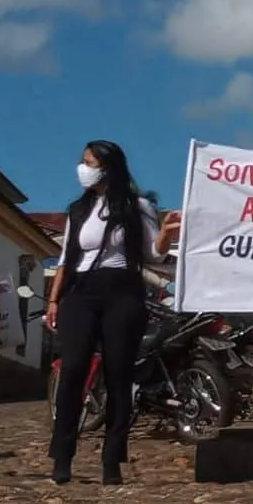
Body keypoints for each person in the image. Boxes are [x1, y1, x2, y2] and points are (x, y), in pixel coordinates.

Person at [44, 141, 179, 485]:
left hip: (122, 292)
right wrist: (54, 300)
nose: (83, 168)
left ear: (108, 167)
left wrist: (165, 233)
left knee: (119, 375)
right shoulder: (78, 210)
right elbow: (65, 259)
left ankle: (112, 459)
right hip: (81, 292)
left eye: (89, 163)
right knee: (73, 369)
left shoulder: (138, 206)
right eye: (83, 161)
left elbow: (153, 255)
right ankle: (62, 455)